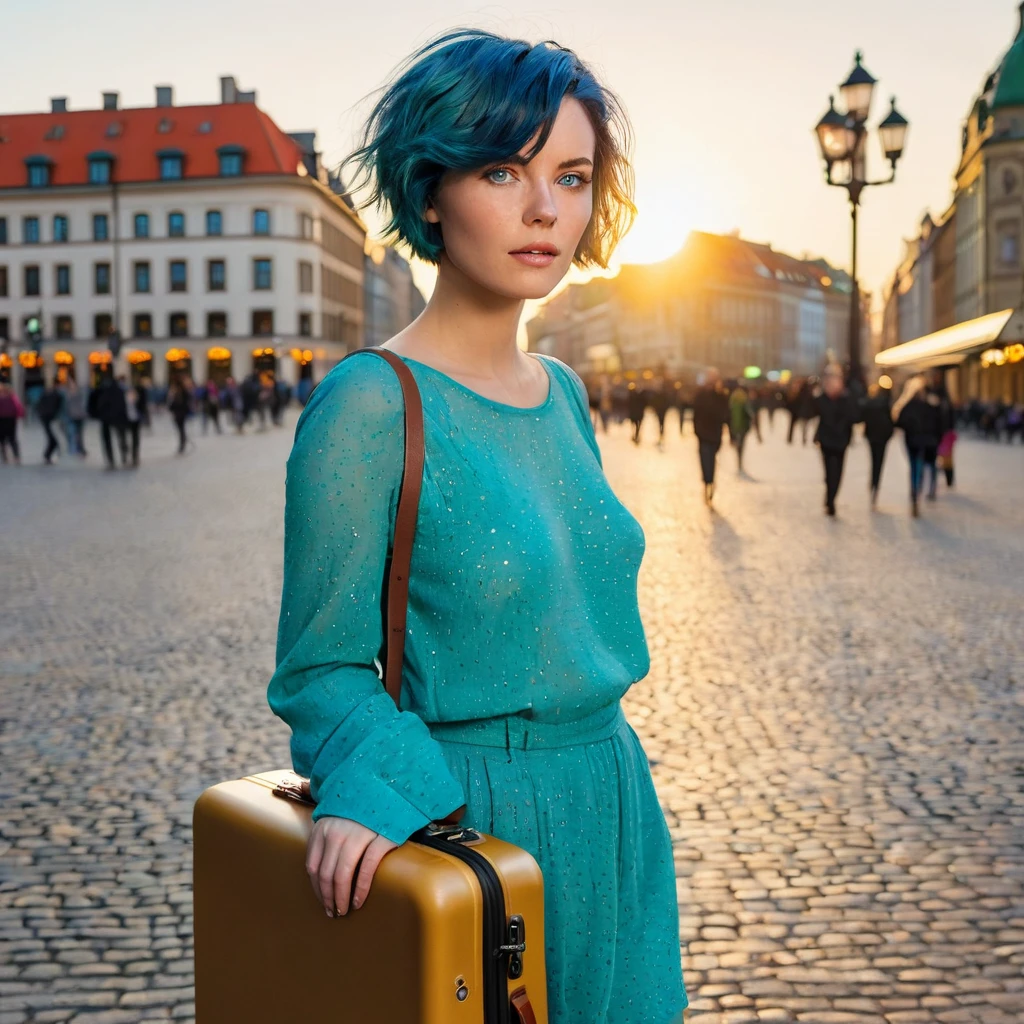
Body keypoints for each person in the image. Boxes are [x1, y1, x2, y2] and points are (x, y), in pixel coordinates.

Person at [266, 30, 687, 1024]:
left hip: (614, 802)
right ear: (428, 190)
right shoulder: (372, 403)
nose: (547, 208)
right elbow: (319, 667)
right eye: (503, 169)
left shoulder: (568, 393)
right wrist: (378, 784)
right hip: (481, 821)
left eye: (572, 176)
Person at [892, 375, 939, 518]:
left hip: (912, 441)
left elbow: (898, 421)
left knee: (915, 467)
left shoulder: (908, 405)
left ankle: (915, 491)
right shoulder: (928, 405)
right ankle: (916, 491)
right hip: (921, 442)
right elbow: (937, 423)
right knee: (919, 466)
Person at [814, 364, 857, 517]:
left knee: (836, 472)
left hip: (839, 440)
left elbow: (853, 417)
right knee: (830, 472)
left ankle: (831, 498)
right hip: (828, 440)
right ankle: (830, 499)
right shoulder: (822, 398)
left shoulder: (845, 399)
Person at [692, 368, 730, 506]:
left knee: (710, 459)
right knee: (706, 459)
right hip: (704, 434)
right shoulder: (701, 394)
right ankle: (708, 483)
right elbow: (696, 413)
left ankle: (710, 482)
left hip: (713, 434)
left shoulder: (720, 395)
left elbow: (726, 414)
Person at [861, 381, 894, 505]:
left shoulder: (870, 402)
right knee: (879, 461)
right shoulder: (885, 403)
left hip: (872, 436)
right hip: (882, 436)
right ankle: (876, 483)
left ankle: (873, 482)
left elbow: (863, 417)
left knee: (873, 459)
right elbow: (890, 420)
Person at [92, 374, 129, 470]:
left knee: (109, 440)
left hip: (106, 419)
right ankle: (123, 456)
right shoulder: (118, 391)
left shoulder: (102, 392)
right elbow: (123, 405)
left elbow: (98, 405)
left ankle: (111, 459)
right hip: (117, 418)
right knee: (121, 437)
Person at [728, 381, 759, 475]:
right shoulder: (745, 399)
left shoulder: (732, 398)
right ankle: (739, 461)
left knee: (738, 443)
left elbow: (729, 412)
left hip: (734, 425)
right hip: (743, 425)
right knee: (741, 444)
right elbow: (750, 413)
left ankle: (738, 459)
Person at [36, 380, 64, 465]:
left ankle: (47, 455)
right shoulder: (57, 395)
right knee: (53, 439)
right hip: (50, 419)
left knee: (52, 439)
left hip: (47, 418)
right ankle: (47, 455)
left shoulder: (47, 394)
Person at [0, 382, 25, 464]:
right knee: (12, 438)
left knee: (3, 440)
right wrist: (19, 415)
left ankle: (6, 457)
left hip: (3, 419)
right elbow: (18, 407)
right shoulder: (12, 397)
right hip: (11, 419)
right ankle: (16, 456)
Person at [167, 377, 192, 455]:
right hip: (181, 413)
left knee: (181, 429)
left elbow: (172, 403)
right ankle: (183, 442)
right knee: (181, 429)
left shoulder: (177, 392)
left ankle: (182, 443)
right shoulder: (182, 391)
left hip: (178, 413)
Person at [123, 377, 143, 468]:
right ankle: (126, 455)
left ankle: (135, 456)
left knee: (135, 438)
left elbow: (141, 407)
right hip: (126, 420)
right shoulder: (124, 399)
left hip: (136, 420)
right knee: (125, 439)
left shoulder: (138, 399)